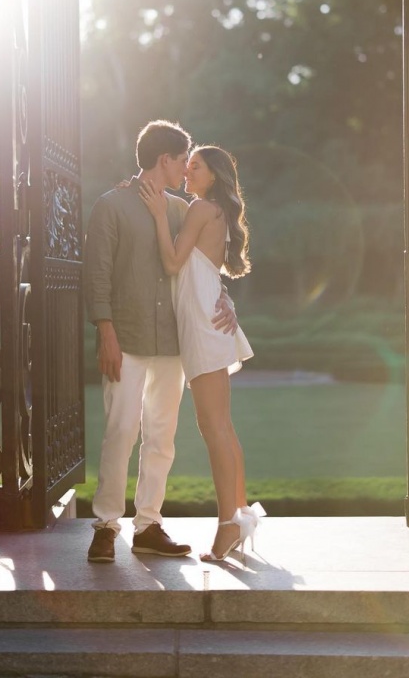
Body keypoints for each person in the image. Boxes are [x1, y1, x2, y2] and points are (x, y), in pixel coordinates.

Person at [83, 120, 238, 564]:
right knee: (120, 431)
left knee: (161, 436)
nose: (186, 170)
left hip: (172, 340)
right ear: (164, 160)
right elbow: (97, 275)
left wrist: (224, 295)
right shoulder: (110, 205)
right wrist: (105, 331)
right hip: (126, 337)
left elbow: (202, 264)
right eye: (182, 160)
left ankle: (148, 525)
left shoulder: (181, 210)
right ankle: (106, 526)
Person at [139, 145, 263, 563]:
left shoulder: (200, 210)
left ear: (212, 176)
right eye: (186, 165)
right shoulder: (212, 210)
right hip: (209, 314)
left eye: (195, 167)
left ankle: (228, 524)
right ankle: (241, 514)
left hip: (203, 323)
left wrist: (158, 215)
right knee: (221, 427)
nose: (188, 172)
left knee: (213, 429)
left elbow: (174, 263)